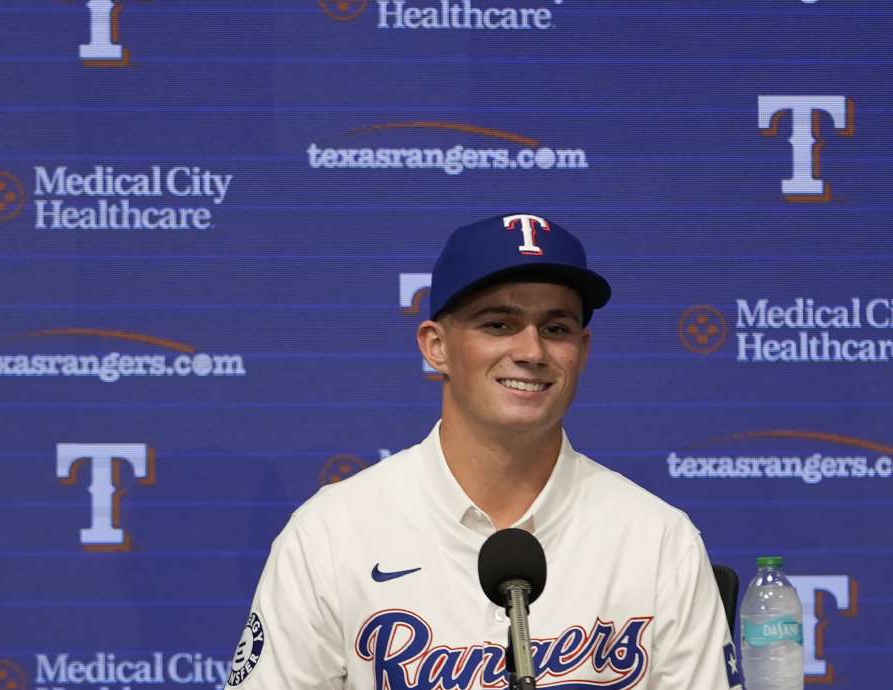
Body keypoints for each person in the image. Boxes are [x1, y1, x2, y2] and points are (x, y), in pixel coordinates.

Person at [225, 213, 741, 690]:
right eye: (499, 324)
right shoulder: (331, 535)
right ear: (435, 345)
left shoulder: (657, 540)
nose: (532, 352)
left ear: (581, 351)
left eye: (556, 329)